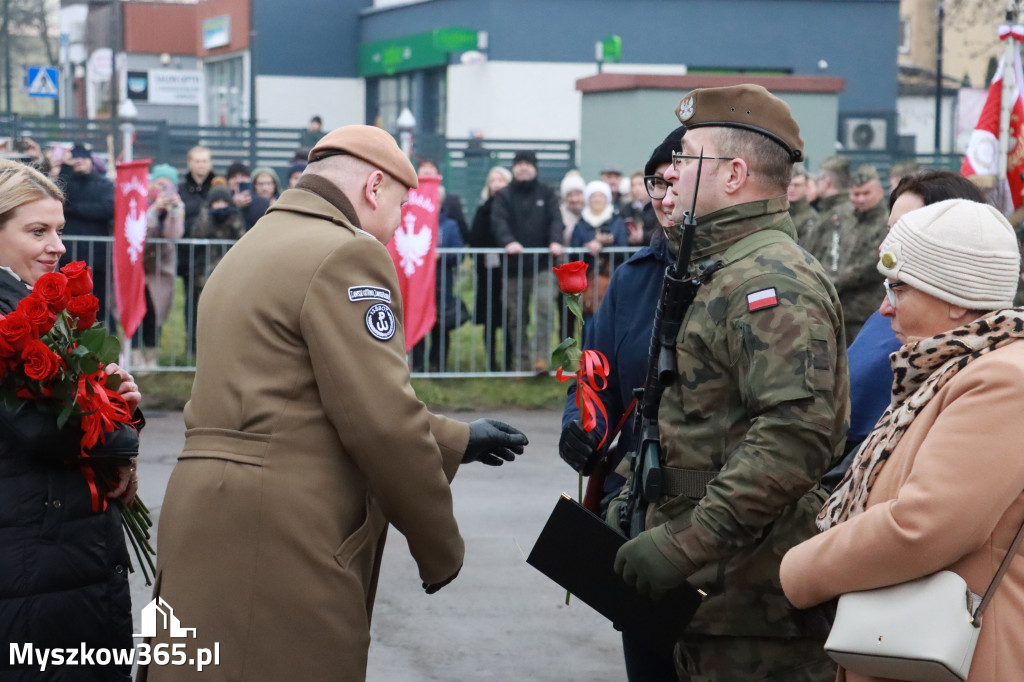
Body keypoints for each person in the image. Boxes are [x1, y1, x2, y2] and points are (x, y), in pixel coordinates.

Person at [144, 125, 528, 681]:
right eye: (400, 205)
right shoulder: (347, 254)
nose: (398, 227)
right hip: (283, 530)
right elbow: (380, 421)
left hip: (205, 516)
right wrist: (439, 546)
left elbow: (296, 397)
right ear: (375, 186)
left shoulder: (247, 248)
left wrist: (457, 440)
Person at [612, 85, 848, 681]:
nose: (671, 173)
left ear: (735, 174)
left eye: (686, 159)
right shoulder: (720, 266)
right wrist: (634, 494)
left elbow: (794, 440)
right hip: (714, 593)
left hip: (752, 603)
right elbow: (690, 410)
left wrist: (683, 543)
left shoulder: (772, 279)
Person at [781, 198, 1024, 681]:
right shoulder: (947, 367)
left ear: (955, 296)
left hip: (960, 658)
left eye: (898, 287)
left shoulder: (1002, 379)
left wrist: (799, 570)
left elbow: (925, 526)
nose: (884, 306)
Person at [0, 159, 143, 682]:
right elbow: (46, 428)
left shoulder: (39, 308)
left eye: (59, 230)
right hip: (34, 561)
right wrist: (122, 440)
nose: (57, 245)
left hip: (59, 552)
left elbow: (78, 405)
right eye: (36, 231)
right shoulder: (7, 319)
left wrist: (121, 400)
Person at [560, 126, 684, 682]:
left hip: (718, 516)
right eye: (654, 183)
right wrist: (579, 424)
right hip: (638, 509)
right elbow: (595, 371)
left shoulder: (752, 277)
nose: (664, 196)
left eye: (675, 181)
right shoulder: (635, 279)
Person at [822, 169, 986, 488]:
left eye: (905, 230)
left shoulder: (970, 355)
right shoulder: (893, 314)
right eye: (890, 229)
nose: (886, 243)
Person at [490, 150, 565, 373]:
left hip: (543, 265)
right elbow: (499, 222)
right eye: (519, 163)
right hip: (514, 267)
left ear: (535, 168)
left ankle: (541, 359)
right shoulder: (503, 195)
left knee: (544, 309)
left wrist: (556, 240)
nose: (523, 167)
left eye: (528, 163)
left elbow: (556, 219)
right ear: (513, 168)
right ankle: (522, 362)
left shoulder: (547, 193)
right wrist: (508, 241)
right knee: (516, 316)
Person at [828, 165, 890, 340]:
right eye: (856, 194)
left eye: (866, 193)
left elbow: (871, 265)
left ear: (879, 192)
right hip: (840, 310)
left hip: (867, 311)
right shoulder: (844, 221)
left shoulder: (886, 223)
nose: (861, 199)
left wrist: (833, 281)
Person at [59, 142, 115, 328]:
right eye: (77, 158)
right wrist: (66, 166)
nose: (80, 162)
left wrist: (74, 210)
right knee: (69, 304)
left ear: (91, 160)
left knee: (98, 303)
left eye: (84, 158)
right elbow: (60, 195)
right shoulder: (68, 181)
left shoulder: (103, 184)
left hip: (97, 256)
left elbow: (107, 209)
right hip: (71, 256)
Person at [136, 163, 185, 369]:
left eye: (168, 185)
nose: (163, 190)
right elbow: (141, 235)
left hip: (161, 268)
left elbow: (174, 236)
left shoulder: (177, 207)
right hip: (139, 265)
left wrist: (175, 211)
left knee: (157, 311)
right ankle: (135, 356)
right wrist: (154, 212)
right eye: (159, 184)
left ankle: (152, 358)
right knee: (137, 311)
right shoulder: (141, 203)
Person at [468, 166, 512, 371]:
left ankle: (510, 361)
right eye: (493, 180)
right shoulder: (483, 209)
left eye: (501, 180)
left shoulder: (514, 209)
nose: (496, 184)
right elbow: (475, 237)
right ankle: (491, 362)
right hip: (488, 273)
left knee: (511, 317)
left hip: (511, 272)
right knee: (490, 318)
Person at [570, 180, 629, 322]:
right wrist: (588, 247)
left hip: (612, 277)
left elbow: (624, 249)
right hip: (588, 281)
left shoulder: (617, 222)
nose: (597, 199)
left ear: (607, 198)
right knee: (589, 325)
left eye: (601, 196)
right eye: (593, 196)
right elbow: (573, 253)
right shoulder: (581, 224)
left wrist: (604, 246)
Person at [178, 145, 216, 357]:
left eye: (205, 161)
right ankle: (191, 345)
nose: (201, 165)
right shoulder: (181, 189)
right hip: (190, 255)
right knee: (190, 302)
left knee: (215, 300)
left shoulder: (218, 187)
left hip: (214, 255)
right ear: (190, 162)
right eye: (197, 161)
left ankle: (212, 346)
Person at [802, 154, 852, 258]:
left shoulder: (833, 216)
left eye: (819, 179)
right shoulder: (849, 209)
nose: (817, 183)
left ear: (827, 181)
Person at [225, 161, 271, 230]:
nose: (239, 180)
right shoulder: (222, 199)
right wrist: (233, 204)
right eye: (234, 177)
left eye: (243, 176)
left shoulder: (262, 203)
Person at [788, 165, 819, 244]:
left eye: (797, 185)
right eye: (788, 184)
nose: (792, 189)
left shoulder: (811, 218)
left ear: (806, 186)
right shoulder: (777, 213)